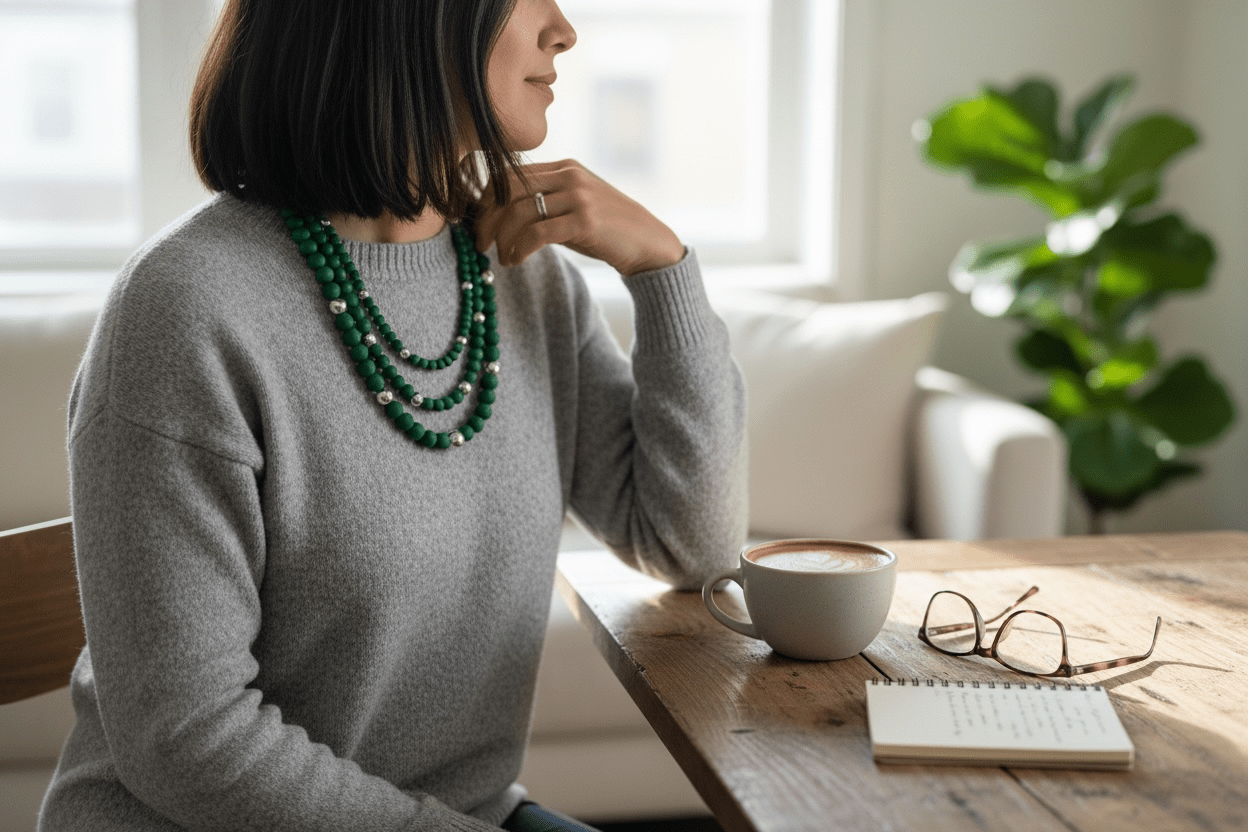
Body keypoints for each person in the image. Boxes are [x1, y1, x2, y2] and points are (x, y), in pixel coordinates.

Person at [38, 0, 747, 829]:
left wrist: (663, 268)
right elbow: (188, 741)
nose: (563, 27)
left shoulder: (521, 274)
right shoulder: (186, 309)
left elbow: (690, 547)